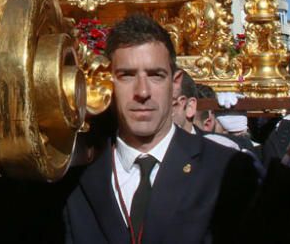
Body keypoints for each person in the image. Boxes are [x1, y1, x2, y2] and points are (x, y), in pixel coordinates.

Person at [64, 15, 258, 244]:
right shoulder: (75, 176)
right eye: (127, 75)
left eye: (156, 75)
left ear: (175, 83)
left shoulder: (226, 170)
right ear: (107, 81)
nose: (142, 92)